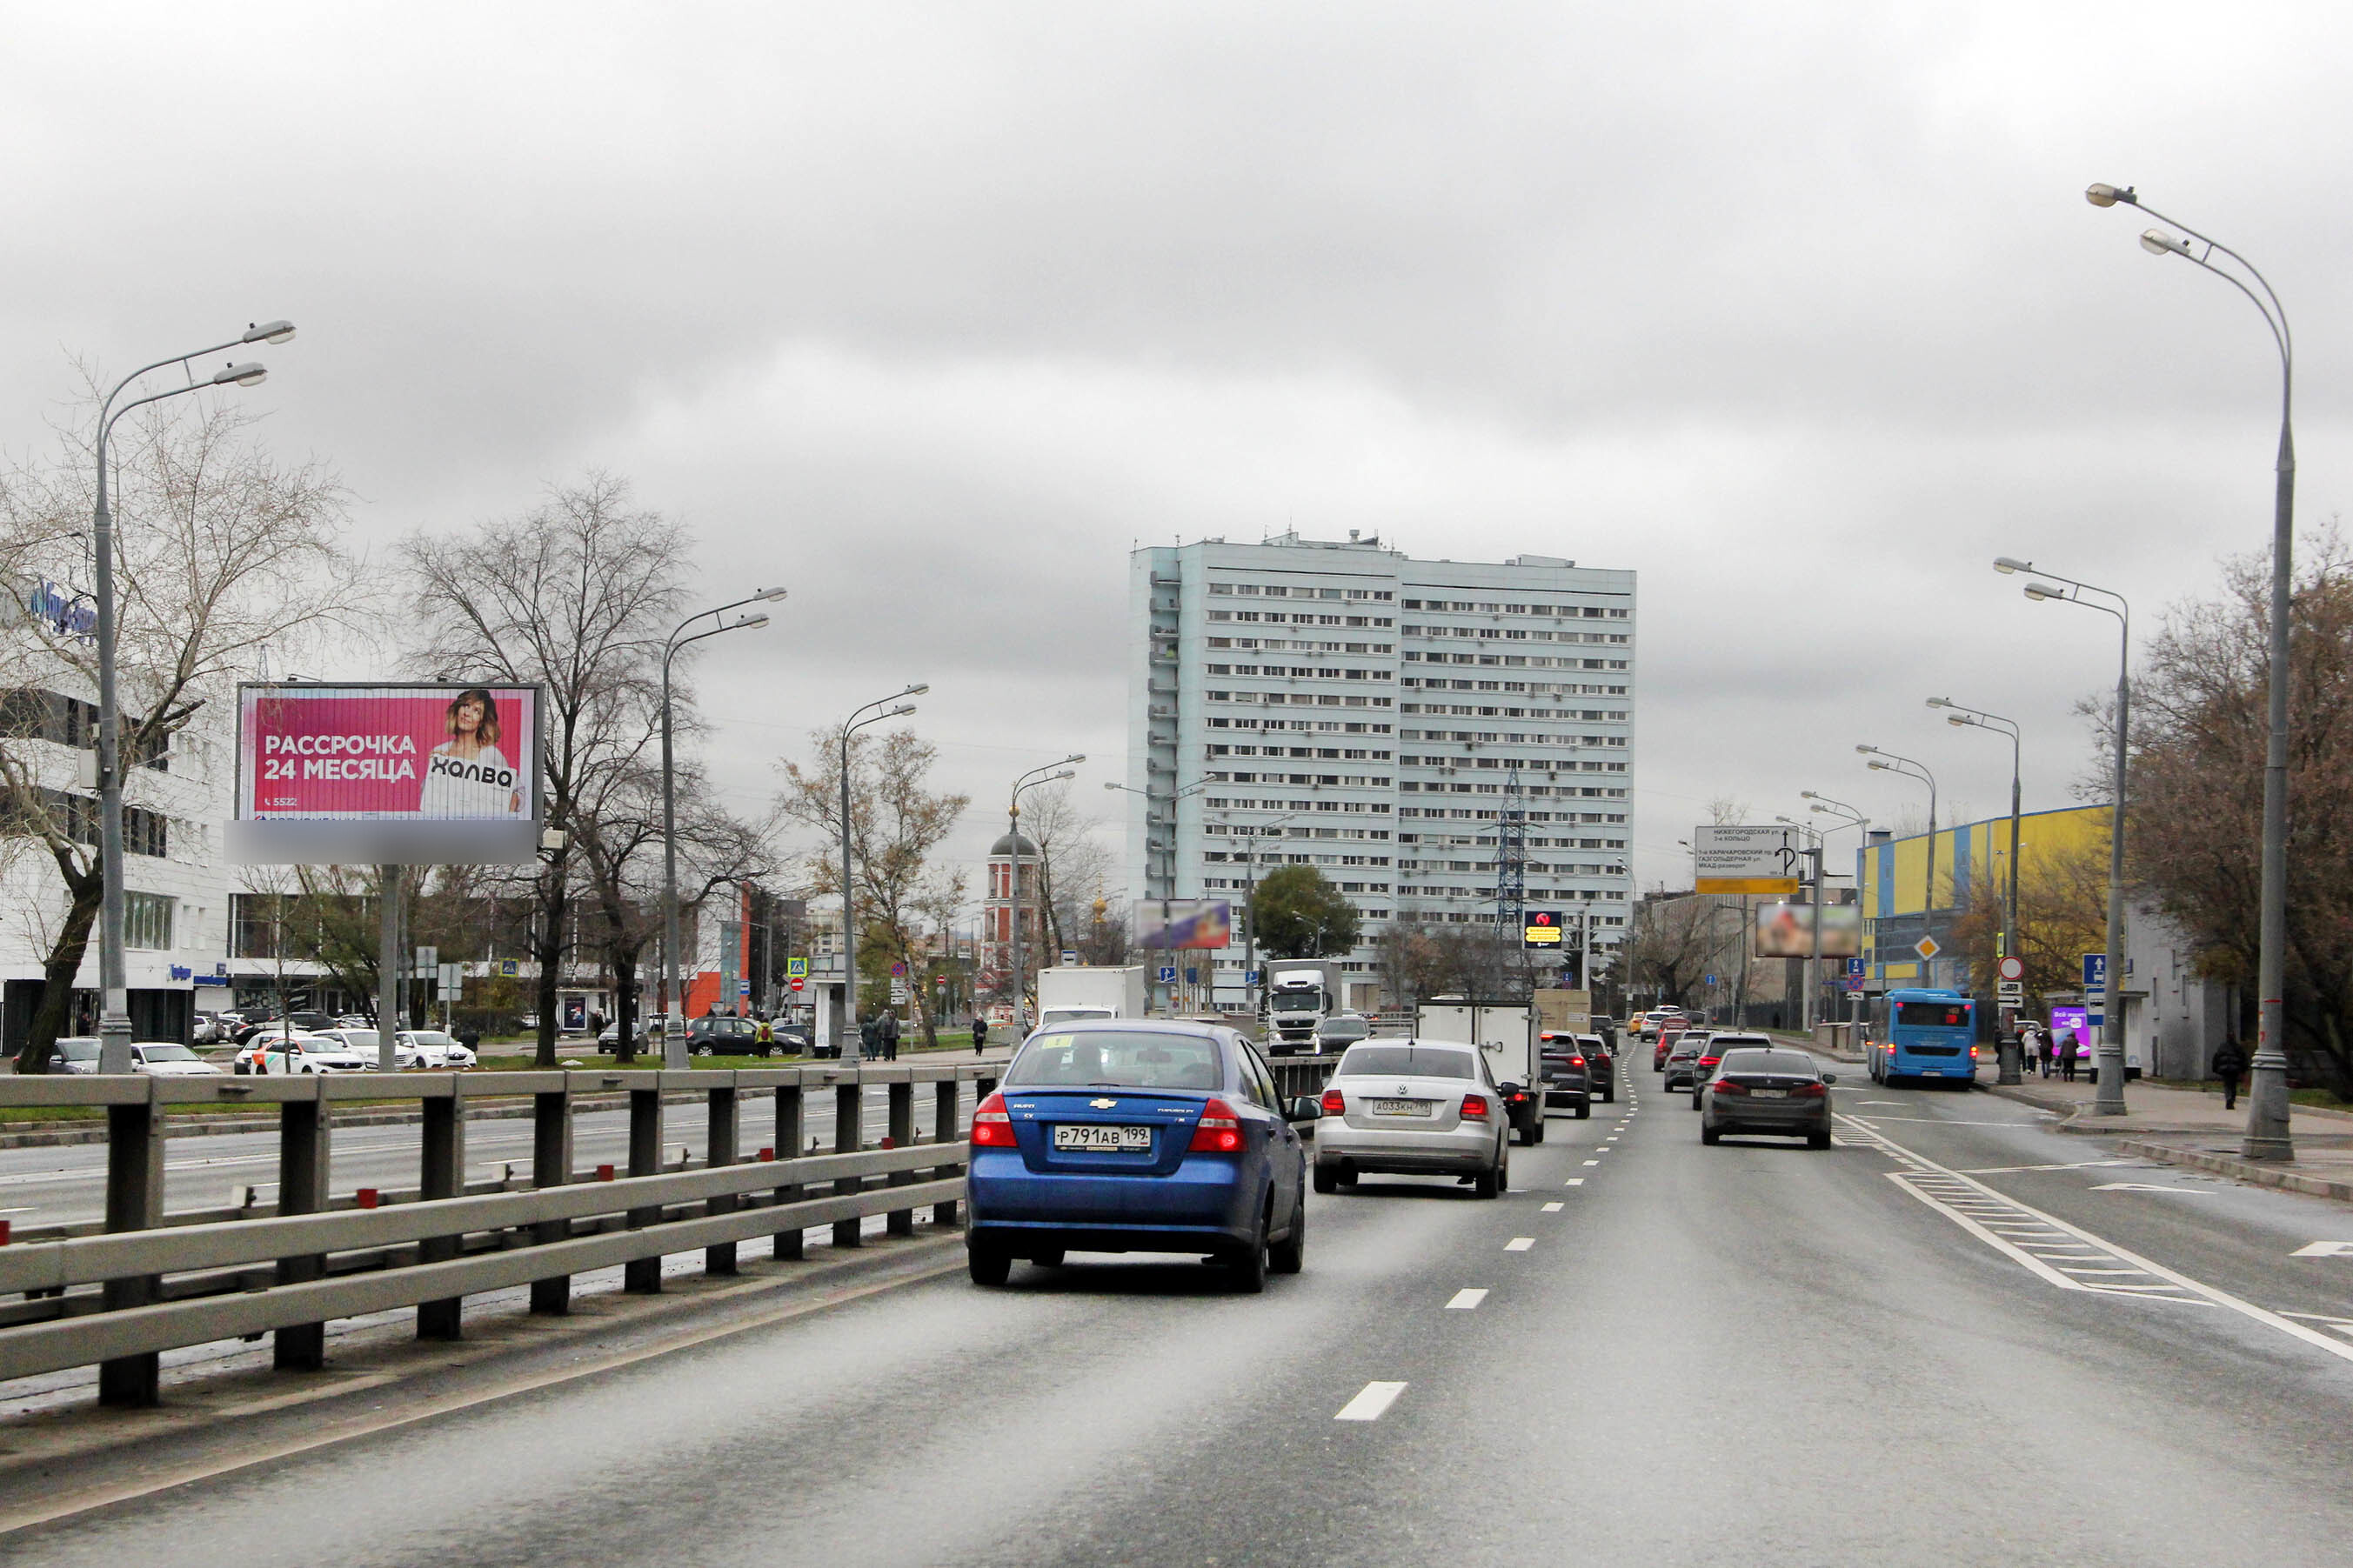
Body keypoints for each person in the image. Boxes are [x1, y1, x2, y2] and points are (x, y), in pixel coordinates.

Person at [418, 687, 523, 817]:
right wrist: (433, 774)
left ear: (481, 722)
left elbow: (518, 794)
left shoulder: (491, 754)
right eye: (465, 705)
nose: (467, 713)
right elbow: (426, 799)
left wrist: (506, 814)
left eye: (476, 711)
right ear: (457, 710)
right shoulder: (441, 751)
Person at [2213, 1034, 2249, 1111]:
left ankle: (2228, 1098)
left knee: (2227, 1085)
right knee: (2233, 1085)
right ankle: (2231, 1100)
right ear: (2234, 1038)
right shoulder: (2238, 1047)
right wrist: (2244, 1070)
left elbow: (2216, 1058)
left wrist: (2215, 1069)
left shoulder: (2222, 1047)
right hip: (2235, 1070)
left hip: (2225, 1069)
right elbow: (2243, 1059)